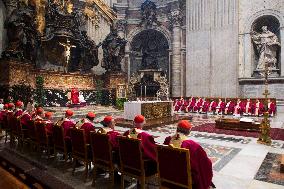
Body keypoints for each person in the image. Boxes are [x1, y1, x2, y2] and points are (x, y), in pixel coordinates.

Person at [164, 120, 213, 189]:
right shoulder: (191, 144)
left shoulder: (168, 139)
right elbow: (204, 161)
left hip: (168, 173)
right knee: (207, 163)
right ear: (188, 131)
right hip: (184, 177)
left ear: (177, 129)